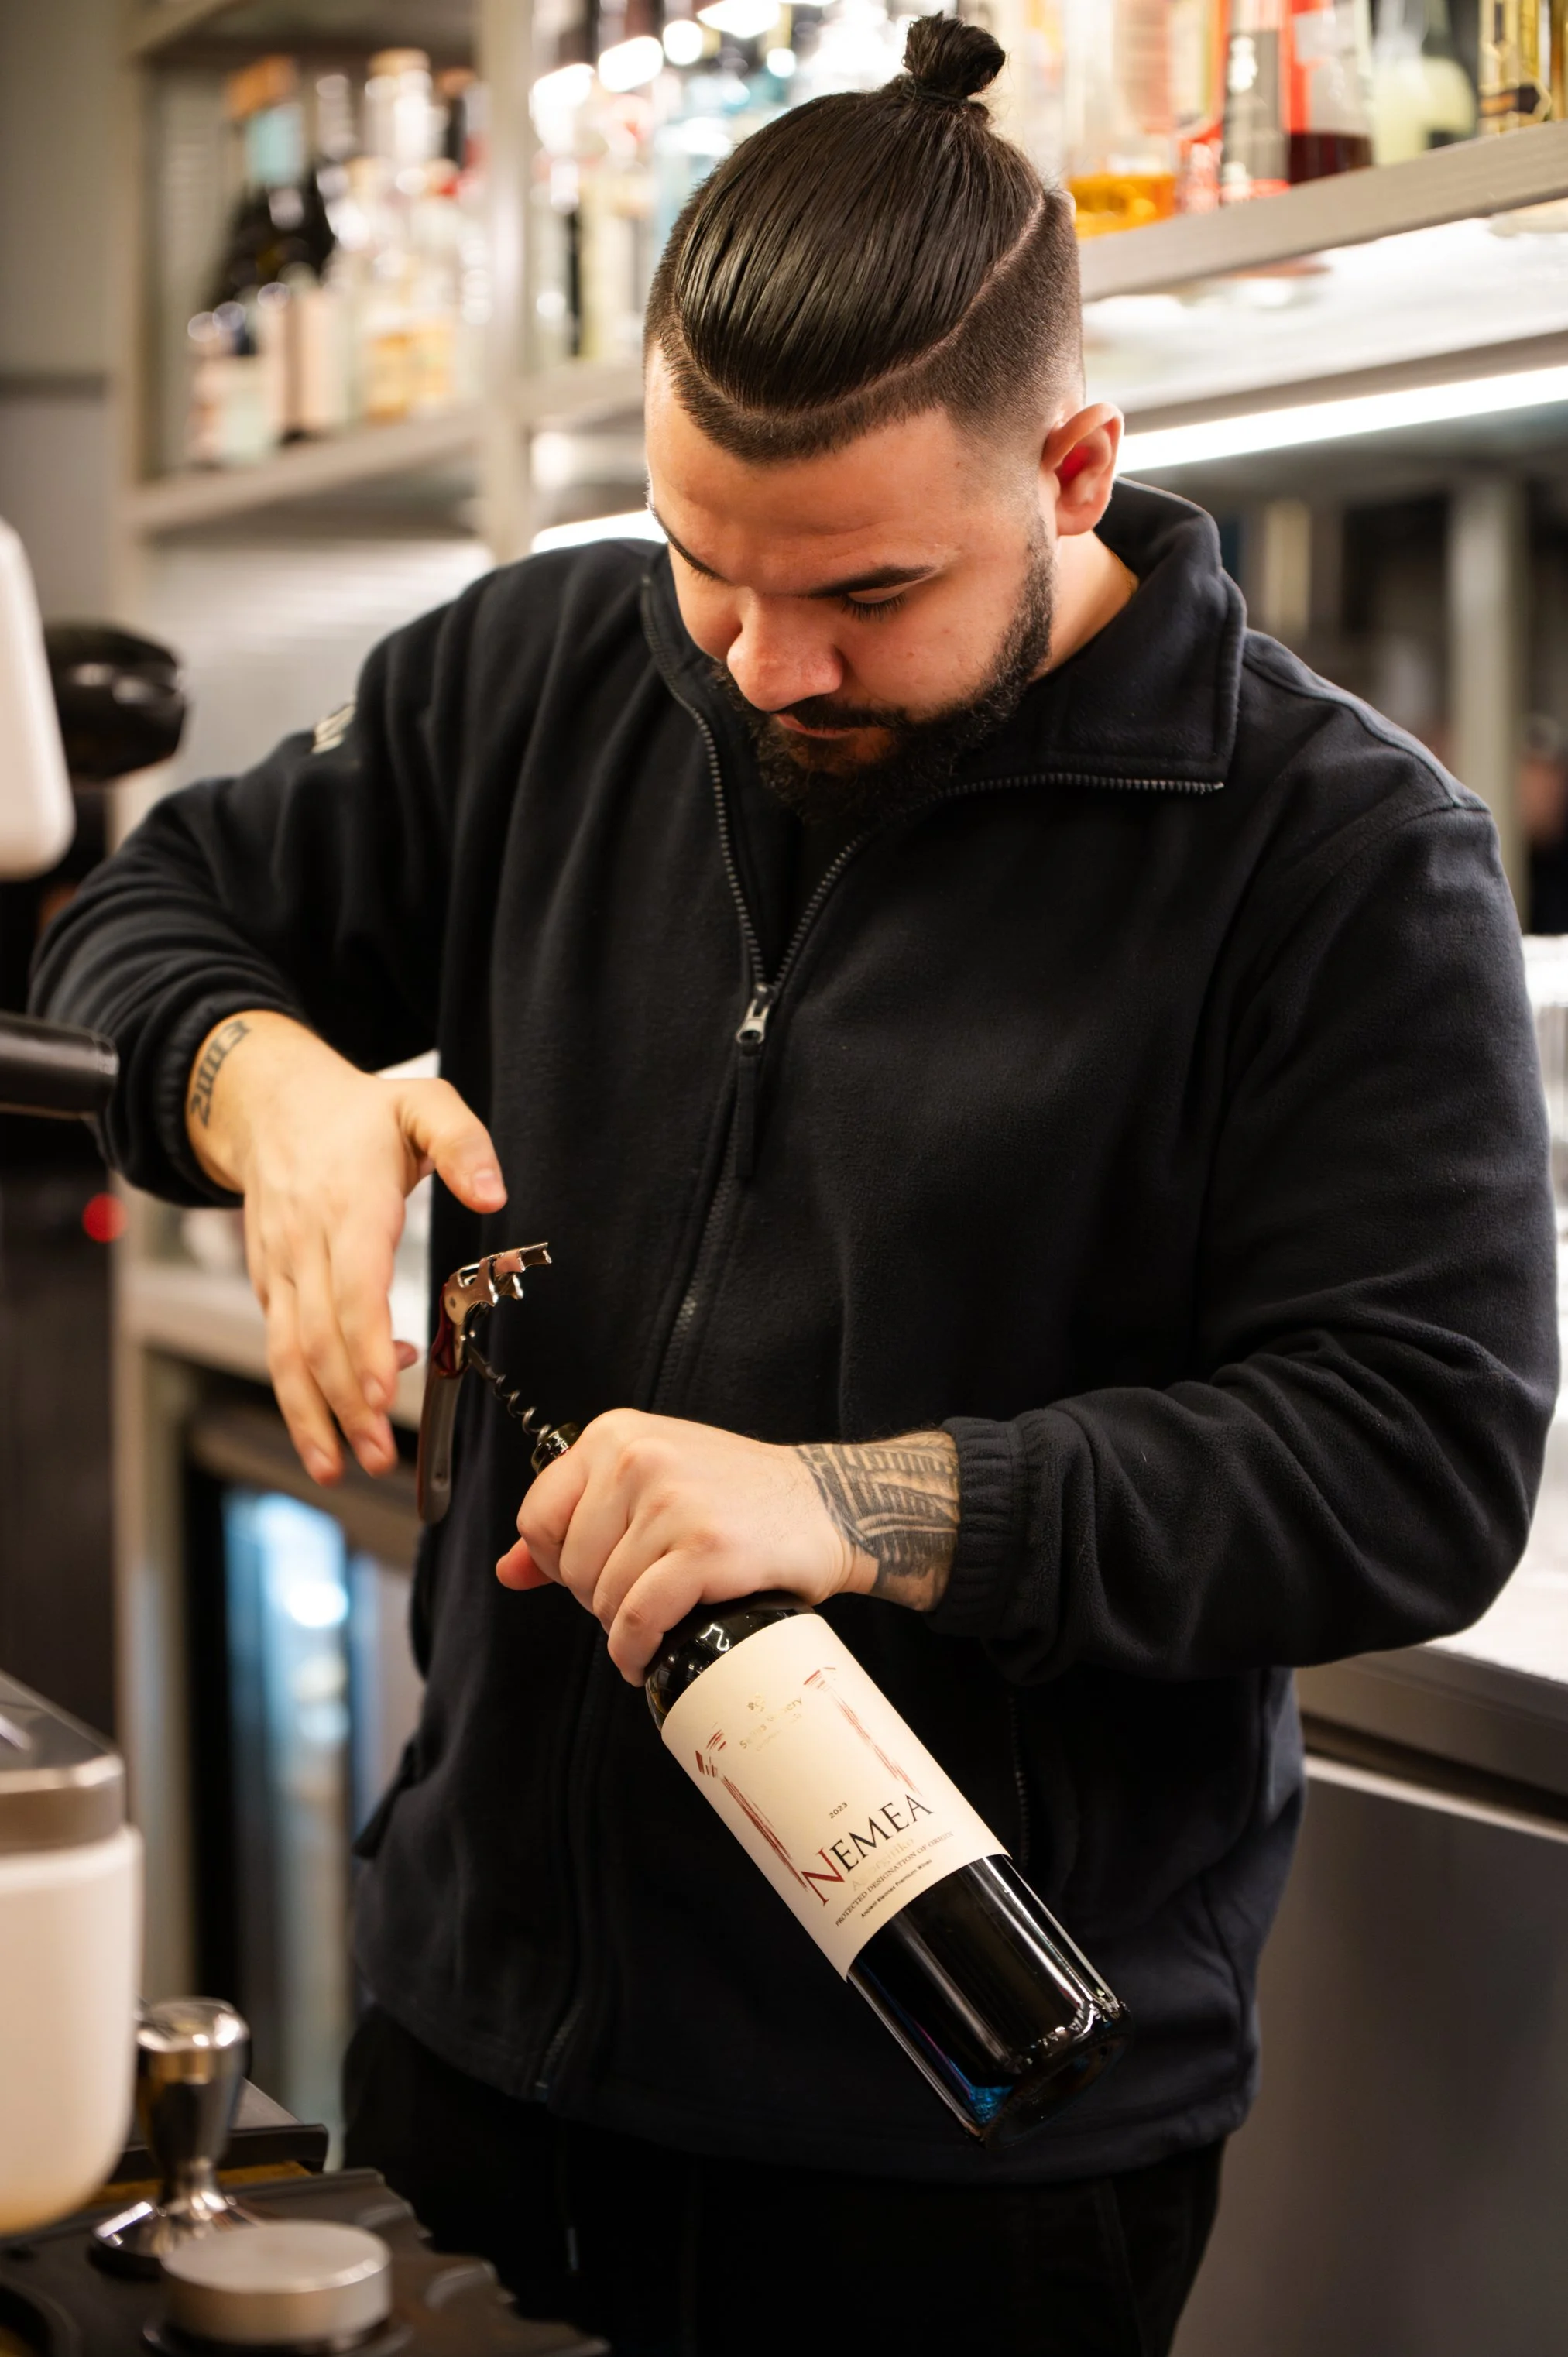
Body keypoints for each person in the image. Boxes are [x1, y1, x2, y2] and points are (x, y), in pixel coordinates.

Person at [35, 20, 1556, 2355]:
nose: (760, 664)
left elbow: (1413, 1459)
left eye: (858, 593)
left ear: (1073, 469)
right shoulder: (555, 668)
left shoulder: (1336, 858)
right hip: (473, 2038)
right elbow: (140, 919)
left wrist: (873, 1501)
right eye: (702, 561)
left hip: (961, 2147)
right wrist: (270, 1088)